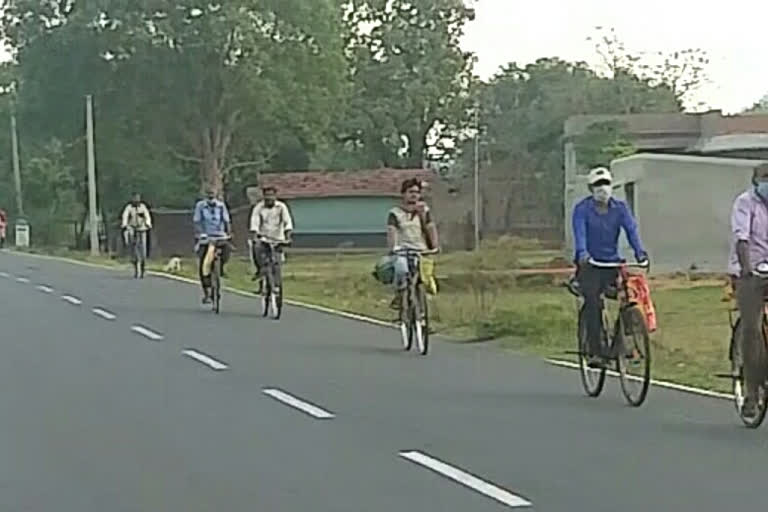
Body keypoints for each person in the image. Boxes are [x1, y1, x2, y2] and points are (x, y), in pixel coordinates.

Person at [572, 167, 648, 366]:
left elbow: (631, 230)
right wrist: (582, 253)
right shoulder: (582, 209)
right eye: (597, 185)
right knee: (593, 302)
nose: (602, 188)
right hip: (590, 264)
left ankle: (625, 345)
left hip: (612, 263)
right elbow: (579, 234)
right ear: (590, 188)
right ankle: (595, 351)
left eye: (605, 183)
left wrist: (640, 253)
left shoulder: (620, 209)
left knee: (629, 297)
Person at [728, 162, 768, 418]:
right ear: (756, 180)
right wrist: (746, 268)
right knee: (752, 329)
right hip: (751, 272)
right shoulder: (745, 203)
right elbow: (741, 238)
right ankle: (752, 393)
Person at [387, 178, 439, 309]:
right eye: (410, 192)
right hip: (403, 250)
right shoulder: (395, 213)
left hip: (421, 250)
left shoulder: (424, 210)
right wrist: (393, 248)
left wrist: (435, 246)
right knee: (401, 270)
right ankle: (400, 296)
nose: (414, 195)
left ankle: (422, 315)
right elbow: (391, 231)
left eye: (417, 192)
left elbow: (430, 227)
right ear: (403, 194)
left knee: (424, 278)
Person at [249, 185, 294, 289]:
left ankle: (277, 285)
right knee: (256, 248)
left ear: (275, 196)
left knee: (277, 262)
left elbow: (288, 223)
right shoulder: (258, 207)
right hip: (264, 238)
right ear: (263, 196)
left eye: (271, 195)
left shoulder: (281, 207)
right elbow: (254, 223)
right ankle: (260, 270)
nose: (269, 198)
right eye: (267, 195)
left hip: (278, 239)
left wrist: (288, 237)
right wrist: (255, 236)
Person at [193, 188, 232, 304]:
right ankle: (207, 292)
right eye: (208, 193)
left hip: (219, 235)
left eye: (212, 193)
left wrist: (228, 233)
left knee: (227, 249)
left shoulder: (220, 206)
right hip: (206, 236)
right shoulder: (200, 206)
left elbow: (226, 220)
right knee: (203, 264)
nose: (211, 195)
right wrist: (201, 233)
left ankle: (221, 268)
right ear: (205, 194)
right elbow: (197, 222)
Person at [121, 193, 153, 277]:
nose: (136, 200)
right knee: (133, 247)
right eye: (135, 198)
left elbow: (147, 216)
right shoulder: (129, 207)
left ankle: (143, 266)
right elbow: (125, 216)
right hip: (132, 228)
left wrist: (148, 223)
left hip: (142, 229)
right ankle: (135, 264)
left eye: (138, 198)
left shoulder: (142, 207)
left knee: (143, 248)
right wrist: (124, 225)